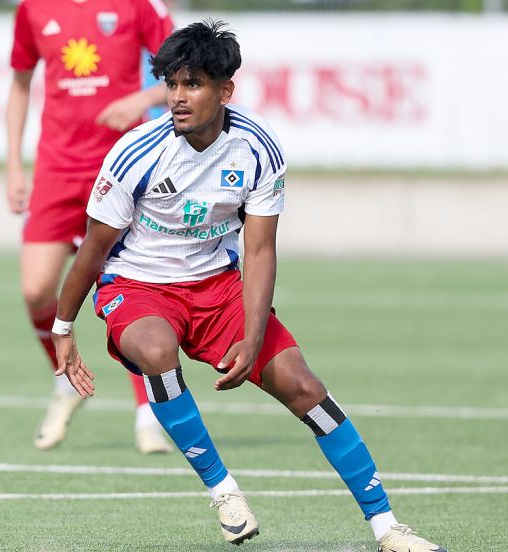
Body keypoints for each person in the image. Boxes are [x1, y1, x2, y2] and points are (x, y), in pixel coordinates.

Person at [50, 20, 447, 552]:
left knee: (306, 388)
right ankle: (224, 491)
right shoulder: (135, 153)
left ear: (225, 90)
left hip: (219, 287)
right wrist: (63, 326)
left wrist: (254, 337)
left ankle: (387, 528)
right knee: (155, 350)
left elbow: (260, 251)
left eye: (193, 84)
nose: (178, 97)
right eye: (172, 84)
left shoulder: (257, 148)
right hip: (139, 285)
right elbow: (93, 251)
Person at [7, 0, 176, 453]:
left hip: (121, 166)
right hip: (56, 171)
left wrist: (142, 99)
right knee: (36, 290)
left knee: (125, 288)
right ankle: (65, 383)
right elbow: (20, 84)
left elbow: (188, 71)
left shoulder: (140, 5)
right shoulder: (33, 10)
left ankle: (148, 415)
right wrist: (13, 167)